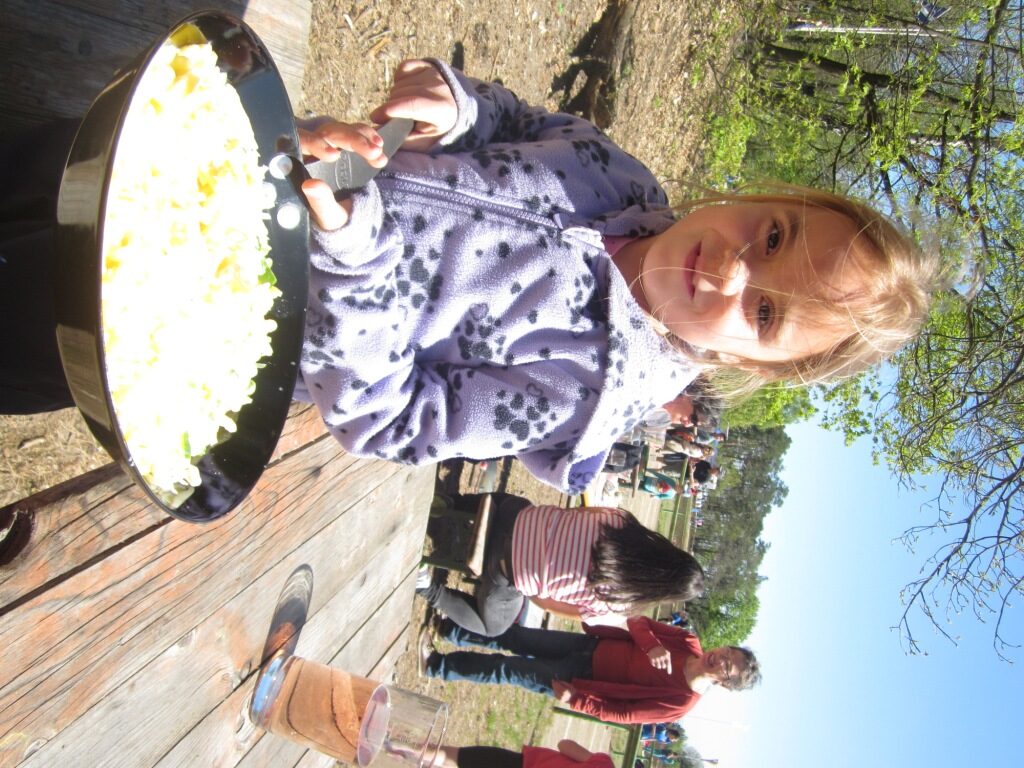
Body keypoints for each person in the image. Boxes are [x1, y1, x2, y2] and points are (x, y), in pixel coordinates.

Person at [2, 58, 942, 495]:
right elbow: (516, 122)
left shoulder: (582, 391)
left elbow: (391, 421)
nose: (734, 269)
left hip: (209, 315)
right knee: (53, 167)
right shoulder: (621, 177)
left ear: (756, 364)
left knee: (29, 311)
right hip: (234, 171)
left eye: (767, 312)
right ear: (761, 197)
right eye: (772, 235)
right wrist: (457, 106)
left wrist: (357, 252)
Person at [418, 492, 706, 636]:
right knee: (493, 628)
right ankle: (428, 588)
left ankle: (450, 502)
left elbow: (576, 513)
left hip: (514, 516)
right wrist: (530, 574)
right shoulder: (617, 607)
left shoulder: (622, 521)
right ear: (664, 593)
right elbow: (546, 604)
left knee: (514, 503)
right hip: (506, 568)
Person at [419, 614, 760, 724]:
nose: (721, 658)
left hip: (580, 681)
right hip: (587, 645)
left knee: (506, 669)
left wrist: (577, 701)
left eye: (728, 667)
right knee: (515, 636)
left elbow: (625, 714)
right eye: (728, 652)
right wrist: (651, 644)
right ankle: (451, 628)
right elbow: (638, 622)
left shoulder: (681, 703)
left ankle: (436, 665)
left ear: (724, 683)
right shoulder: (688, 641)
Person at [427, 739, 612, 768]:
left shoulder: (603, 765)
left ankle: (410, 746)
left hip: (522, 763)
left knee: (456, 757)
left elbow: (564, 745)